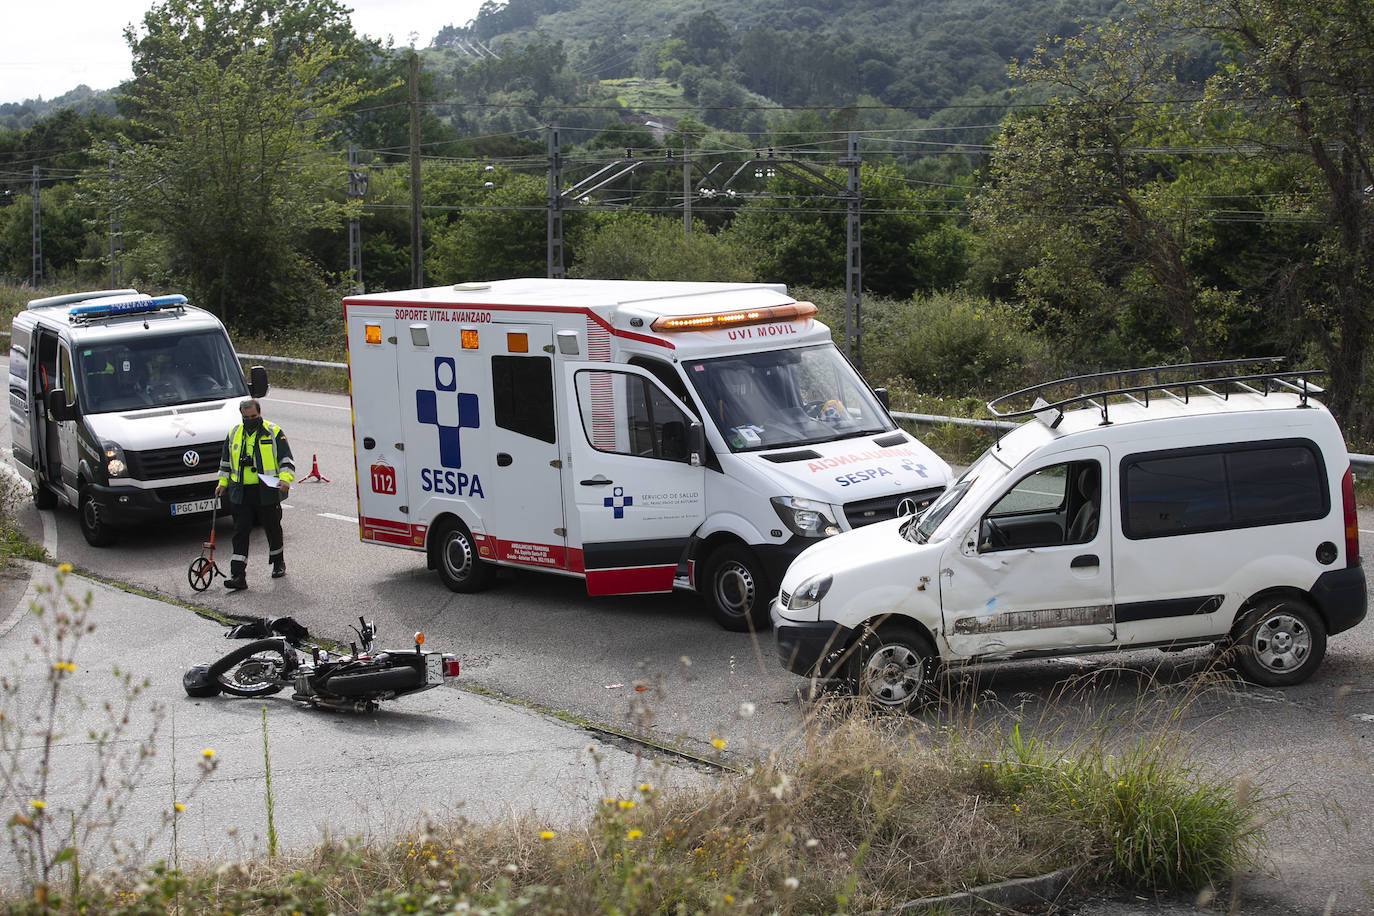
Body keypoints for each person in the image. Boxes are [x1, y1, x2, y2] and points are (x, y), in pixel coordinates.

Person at [215, 399, 295, 590]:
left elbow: (286, 459)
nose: (250, 419)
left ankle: (278, 563)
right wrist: (222, 483)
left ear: (260, 413)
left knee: (272, 528)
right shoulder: (234, 433)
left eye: (254, 416)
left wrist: (285, 479)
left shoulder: (273, 431)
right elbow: (226, 462)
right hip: (241, 492)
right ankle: (238, 576)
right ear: (241, 415)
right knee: (240, 533)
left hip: (267, 491)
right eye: (246, 417)